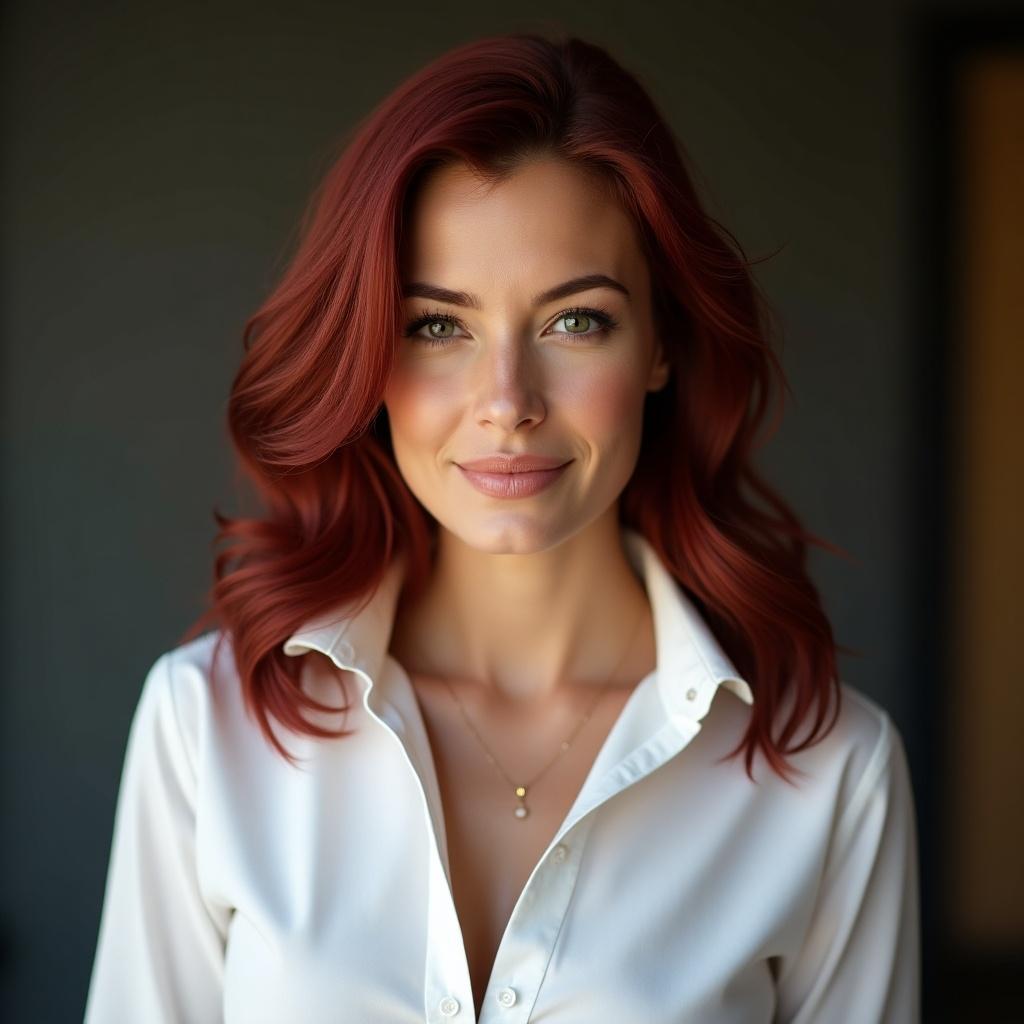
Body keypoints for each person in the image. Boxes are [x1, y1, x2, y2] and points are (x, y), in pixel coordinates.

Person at [83, 31, 920, 1024]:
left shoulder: (829, 770)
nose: (506, 400)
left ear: (661, 344)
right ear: (368, 356)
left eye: (577, 321)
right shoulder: (208, 727)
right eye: (438, 325)